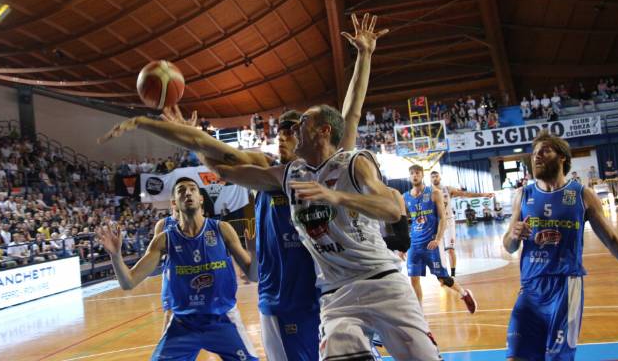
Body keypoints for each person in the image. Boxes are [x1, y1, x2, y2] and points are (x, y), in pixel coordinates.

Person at [100, 13, 389, 360]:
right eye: (281, 132)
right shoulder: (268, 171)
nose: (284, 137)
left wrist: (364, 56)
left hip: (328, 293)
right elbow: (215, 152)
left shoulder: (324, 170)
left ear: (312, 137)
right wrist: (159, 126)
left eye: (293, 131)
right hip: (281, 299)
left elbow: (351, 114)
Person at [211, 105, 442, 360]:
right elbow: (223, 163)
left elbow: (352, 115)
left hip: (371, 281)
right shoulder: (281, 174)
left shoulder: (347, 164)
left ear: (322, 131)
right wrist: (184, 132)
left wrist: (363, 62)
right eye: (285, 128)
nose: (290, 132)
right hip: (327, 293)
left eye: (296, 125)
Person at [503, 130, 618, 361]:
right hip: (530, 289)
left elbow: (609, 237)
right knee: (515, 357)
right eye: (534, 154)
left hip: (565, 288)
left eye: (545, 151)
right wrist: (514, 234)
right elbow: (509, 246)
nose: (537, 157)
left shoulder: (582, 195)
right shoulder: (523, 194)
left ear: (562, 157)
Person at [96, 177, 258, 360]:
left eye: (192, 189)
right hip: (183, 324)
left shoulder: (222, 229)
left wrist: (253, 251)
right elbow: (128, 282)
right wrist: (116, 256)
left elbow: (254, 276)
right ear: (174, 202)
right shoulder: (164, 239)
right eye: (181, 190)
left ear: (201, 198)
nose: (187, 193)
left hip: (222, 319)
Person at [405, 165, 477, 311]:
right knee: (413, 279)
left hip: (431, 243)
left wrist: (438, 239)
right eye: (412, 173)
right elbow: (406, 220)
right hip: (414, 244)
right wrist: (403, 245)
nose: (414, 176)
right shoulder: (405, 197)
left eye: (417, 173)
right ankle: (419, 312)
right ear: (409, 176)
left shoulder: (434, 193)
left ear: (422, 174)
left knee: (443, 279)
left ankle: (464, 294)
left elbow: (443, 219)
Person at [430, 171, 494, 277]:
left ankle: (453, 274)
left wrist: (482, 194)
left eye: (436, 176)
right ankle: (443, 274)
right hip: (437, 223)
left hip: (448, 221)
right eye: (432, 177)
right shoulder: (428, 192)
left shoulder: (448, 189)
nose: (435, 178)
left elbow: (465, 194)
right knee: (440, 252)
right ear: (430, 179)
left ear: (440, 177)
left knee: (450, 249)